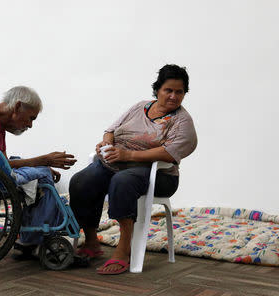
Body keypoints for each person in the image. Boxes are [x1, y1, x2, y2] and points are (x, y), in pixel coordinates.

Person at [69, 64, 197, 275]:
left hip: (159, 174)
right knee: (82, 181)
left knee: (123, 181)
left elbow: (168, 153)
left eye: (179, 92)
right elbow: (110, 130)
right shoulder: (140, 107)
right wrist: (106, 144)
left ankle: (124, 248)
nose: (174, 96)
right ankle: (91, 241)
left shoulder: (182, 121)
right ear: (157, 90)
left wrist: (129, 155)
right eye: (168, 90)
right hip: (116, 164)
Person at [0, 86, 77, 256]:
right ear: (18, 107)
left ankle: (33, 234)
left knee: (40, 169)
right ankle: (32, 238)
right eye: (30, 118)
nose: (30, 125)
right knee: (43, 175)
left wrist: (40, 164)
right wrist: (43, 161)